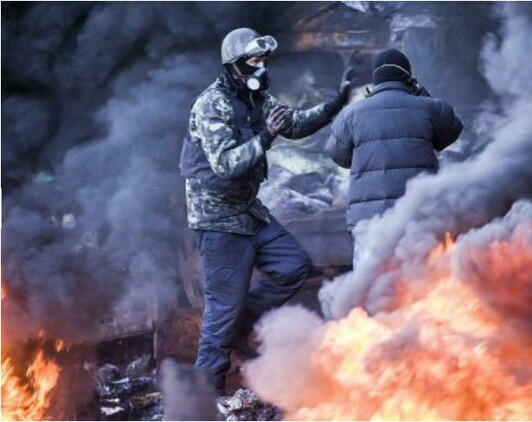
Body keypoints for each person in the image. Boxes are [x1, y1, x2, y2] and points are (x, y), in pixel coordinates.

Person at [179, 28, 352, 397]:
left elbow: (294, 123)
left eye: (263, 61)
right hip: (219, 220)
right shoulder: (212, 104)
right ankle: (202, 399)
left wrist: (337, 102)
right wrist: (265, 138)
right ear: (235, 66)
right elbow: (225, 164)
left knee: (293, 266)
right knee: (221, 313)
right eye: (253, 61)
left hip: (249, 212)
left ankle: (241, 324)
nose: (260, 67)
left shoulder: (259, 99)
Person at [325, 48, 463, 267]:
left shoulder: (351, 114)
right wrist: (420, 92)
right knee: (422, 287)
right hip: (418, 217)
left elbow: (337, 154)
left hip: (369, 223)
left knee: (370, 289)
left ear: (376, 79)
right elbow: (452, 131)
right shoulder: (429, 107)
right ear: (408, 77)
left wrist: (365, 157)